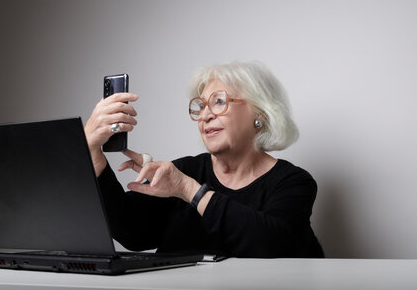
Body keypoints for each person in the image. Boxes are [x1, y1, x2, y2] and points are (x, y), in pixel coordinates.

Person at [84, 61, 324, 258]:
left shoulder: (293, 182)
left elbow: (273, 245)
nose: (205, 115)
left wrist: (189, 190)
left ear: (260, 113)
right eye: (201, 106)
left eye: (219, 102)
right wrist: (94, 156)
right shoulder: (185, 170)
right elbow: (132, 233)